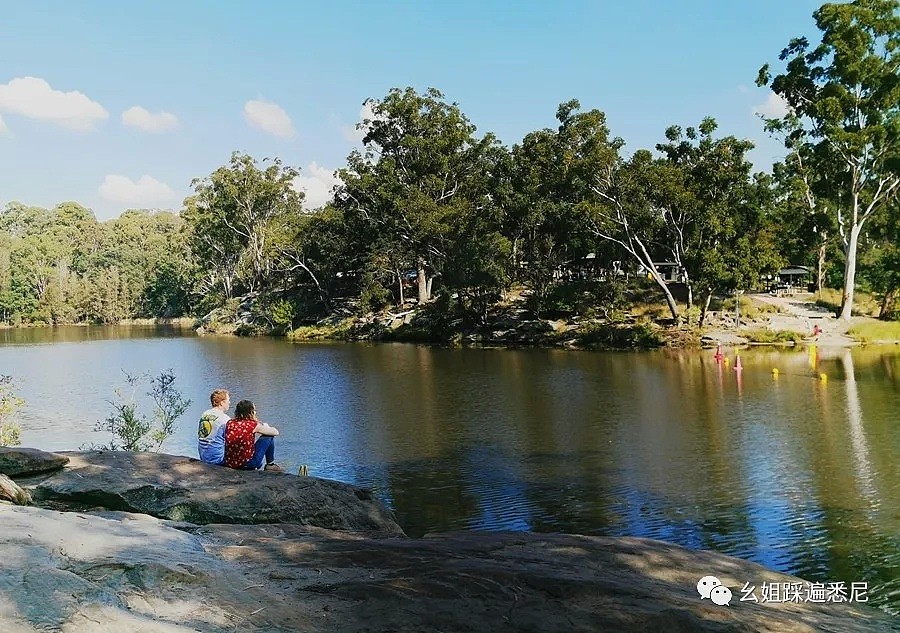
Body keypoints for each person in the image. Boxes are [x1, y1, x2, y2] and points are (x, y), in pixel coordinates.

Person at [224, 400, 283, 472]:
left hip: (230, 463)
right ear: (250, 412)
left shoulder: (230, 423)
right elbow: (276, 432)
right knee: (268, 437)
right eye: (254, 410)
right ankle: (270, 465)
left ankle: (261, 465)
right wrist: (267, 427)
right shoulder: (252, 425)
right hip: (247, 464)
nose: (255, 412)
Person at [197, 389, 231, 465]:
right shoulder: (225, 419)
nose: (229, 402)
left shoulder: (205, 414)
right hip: (218, 460)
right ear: (222, 402)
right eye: (228, 400)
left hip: (203, 456)